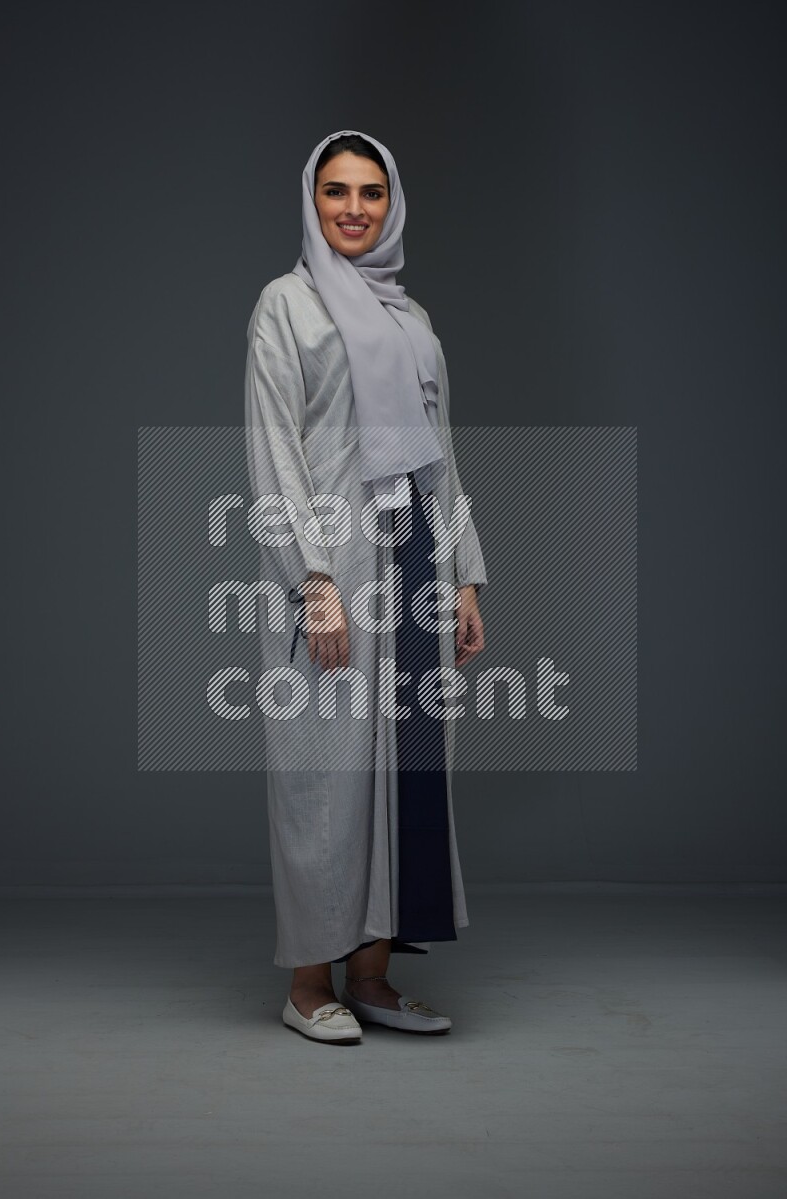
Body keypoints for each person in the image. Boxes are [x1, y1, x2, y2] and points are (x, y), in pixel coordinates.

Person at [244, 129, 487, 1043]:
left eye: (372, 193)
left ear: (392, 204)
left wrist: (464, 574)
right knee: (327, 772)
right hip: (333, 566)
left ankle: (374, 977)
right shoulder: (286, 306)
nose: (354, 209)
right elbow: (274, 451)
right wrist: (313, 578)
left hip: (417, 559)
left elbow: (443, 457)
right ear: (313, 201)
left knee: (408, 774)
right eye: (337, 191)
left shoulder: (411, 319)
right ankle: (310, 983)